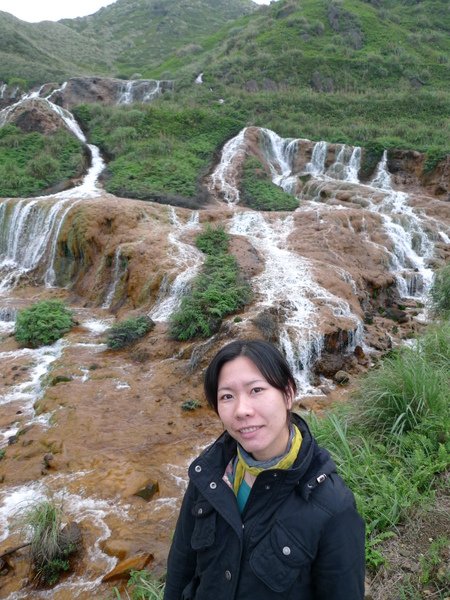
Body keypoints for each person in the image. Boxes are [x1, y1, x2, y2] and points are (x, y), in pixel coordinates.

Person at [164, 340, 365, 600]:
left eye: (256, 390)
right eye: (227, 396)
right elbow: (181, 566)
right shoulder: (209, 474)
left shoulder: (333, 507)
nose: (242, 410)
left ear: (288, 394)